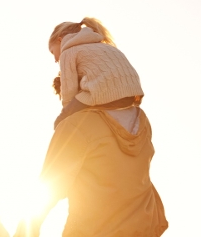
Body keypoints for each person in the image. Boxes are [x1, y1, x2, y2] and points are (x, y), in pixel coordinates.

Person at [13, 19, 169, 237]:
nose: (56, 59)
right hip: (144, 228)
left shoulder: (76, 127)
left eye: (53, 55)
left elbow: (46, 192)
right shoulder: (143, 122)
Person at [48, 17, 144, 128]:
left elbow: (69, 91)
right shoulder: (105, 46)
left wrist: (67, 112)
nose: (55, 59)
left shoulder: (68, 52)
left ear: (60, 40)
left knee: (60, 122)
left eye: (52, 52)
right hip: (132, 95)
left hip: (104, 95)